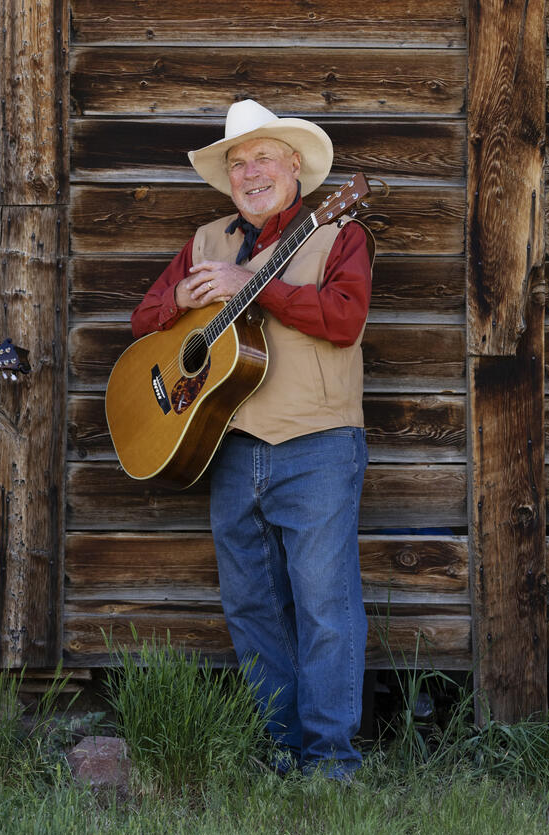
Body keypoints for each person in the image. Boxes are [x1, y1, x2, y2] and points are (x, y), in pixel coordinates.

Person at [130, 100, 374, 779]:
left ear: (295, 166)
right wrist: (181, 299)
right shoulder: (206, 239)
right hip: (227, 445)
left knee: (326, 604)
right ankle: (281, 745)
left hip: (318, 441)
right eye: (237, 162)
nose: (249, 172)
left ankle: (331, 760)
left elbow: (344, 319)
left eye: (262, 157)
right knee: (251, 605)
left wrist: (253, 288)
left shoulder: (337, 232)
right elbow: (143, 319)